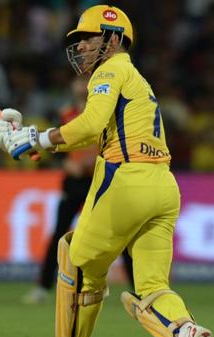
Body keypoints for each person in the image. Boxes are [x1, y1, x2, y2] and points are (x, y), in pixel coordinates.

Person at [0, 5, 212, 337]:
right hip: (164, 188)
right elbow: (88, 131)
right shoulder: (135, 77)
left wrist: (37, 139)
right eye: (78, 41)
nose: (80, 47)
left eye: (88, 38)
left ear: (114, 39)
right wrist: (31, 138)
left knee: (74, 261)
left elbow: (90, 125)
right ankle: (184, 332)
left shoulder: (110, 71)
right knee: (151, 285)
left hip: (126, 180)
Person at [22, 76, 135, 305]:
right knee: (59, 235)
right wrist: (64, 163)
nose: (82, 86)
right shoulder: (65, 114)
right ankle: (42, 287)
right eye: (79, 82)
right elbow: (51, 146)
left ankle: (141, 291)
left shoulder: (105, 112)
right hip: (74, 183)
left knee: (121, 236)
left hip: (102, 181)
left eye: (86, 82)